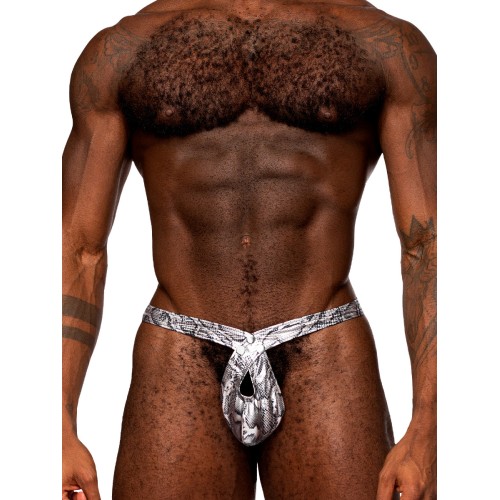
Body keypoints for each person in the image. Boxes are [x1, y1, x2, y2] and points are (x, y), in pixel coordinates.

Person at [62, 0, 436, 498]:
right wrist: (56, 423)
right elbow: (79, 247)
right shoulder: (124, 51)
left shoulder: (384, 45)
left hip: (325, 349)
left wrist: (429, 424)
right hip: (180, 350)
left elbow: (427, 243)